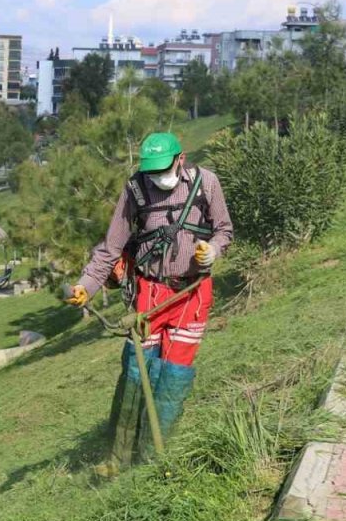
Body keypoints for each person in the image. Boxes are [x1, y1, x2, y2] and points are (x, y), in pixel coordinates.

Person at [66, 132, 233, 437]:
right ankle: (121, 448)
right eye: (150, 172)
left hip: (193, 293)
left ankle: (155, 449)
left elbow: (224, 230)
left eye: (162, 170)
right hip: (150, 292)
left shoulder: (207, 183)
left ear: (180, 160)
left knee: (174, 374)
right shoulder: (135, 189)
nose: (156, 178)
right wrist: (86, 286)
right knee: (136, 369)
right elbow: (111, 248)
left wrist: (213, 250)